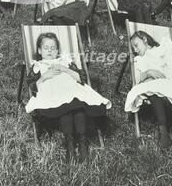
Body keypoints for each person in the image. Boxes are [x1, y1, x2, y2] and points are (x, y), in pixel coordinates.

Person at [25, 32, 111, 163]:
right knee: (65, 106)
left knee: (78, 105)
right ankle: (70, 145)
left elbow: (81, 78)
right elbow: (32, 86)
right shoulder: (38, 66)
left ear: (57, 50)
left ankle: (83, 145)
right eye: (46, 48)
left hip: (72, 89)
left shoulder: (65, 61)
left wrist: (64, 69)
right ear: (39, 50)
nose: (50, 51)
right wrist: (44, 76)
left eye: (53, 48)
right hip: (53, 93)